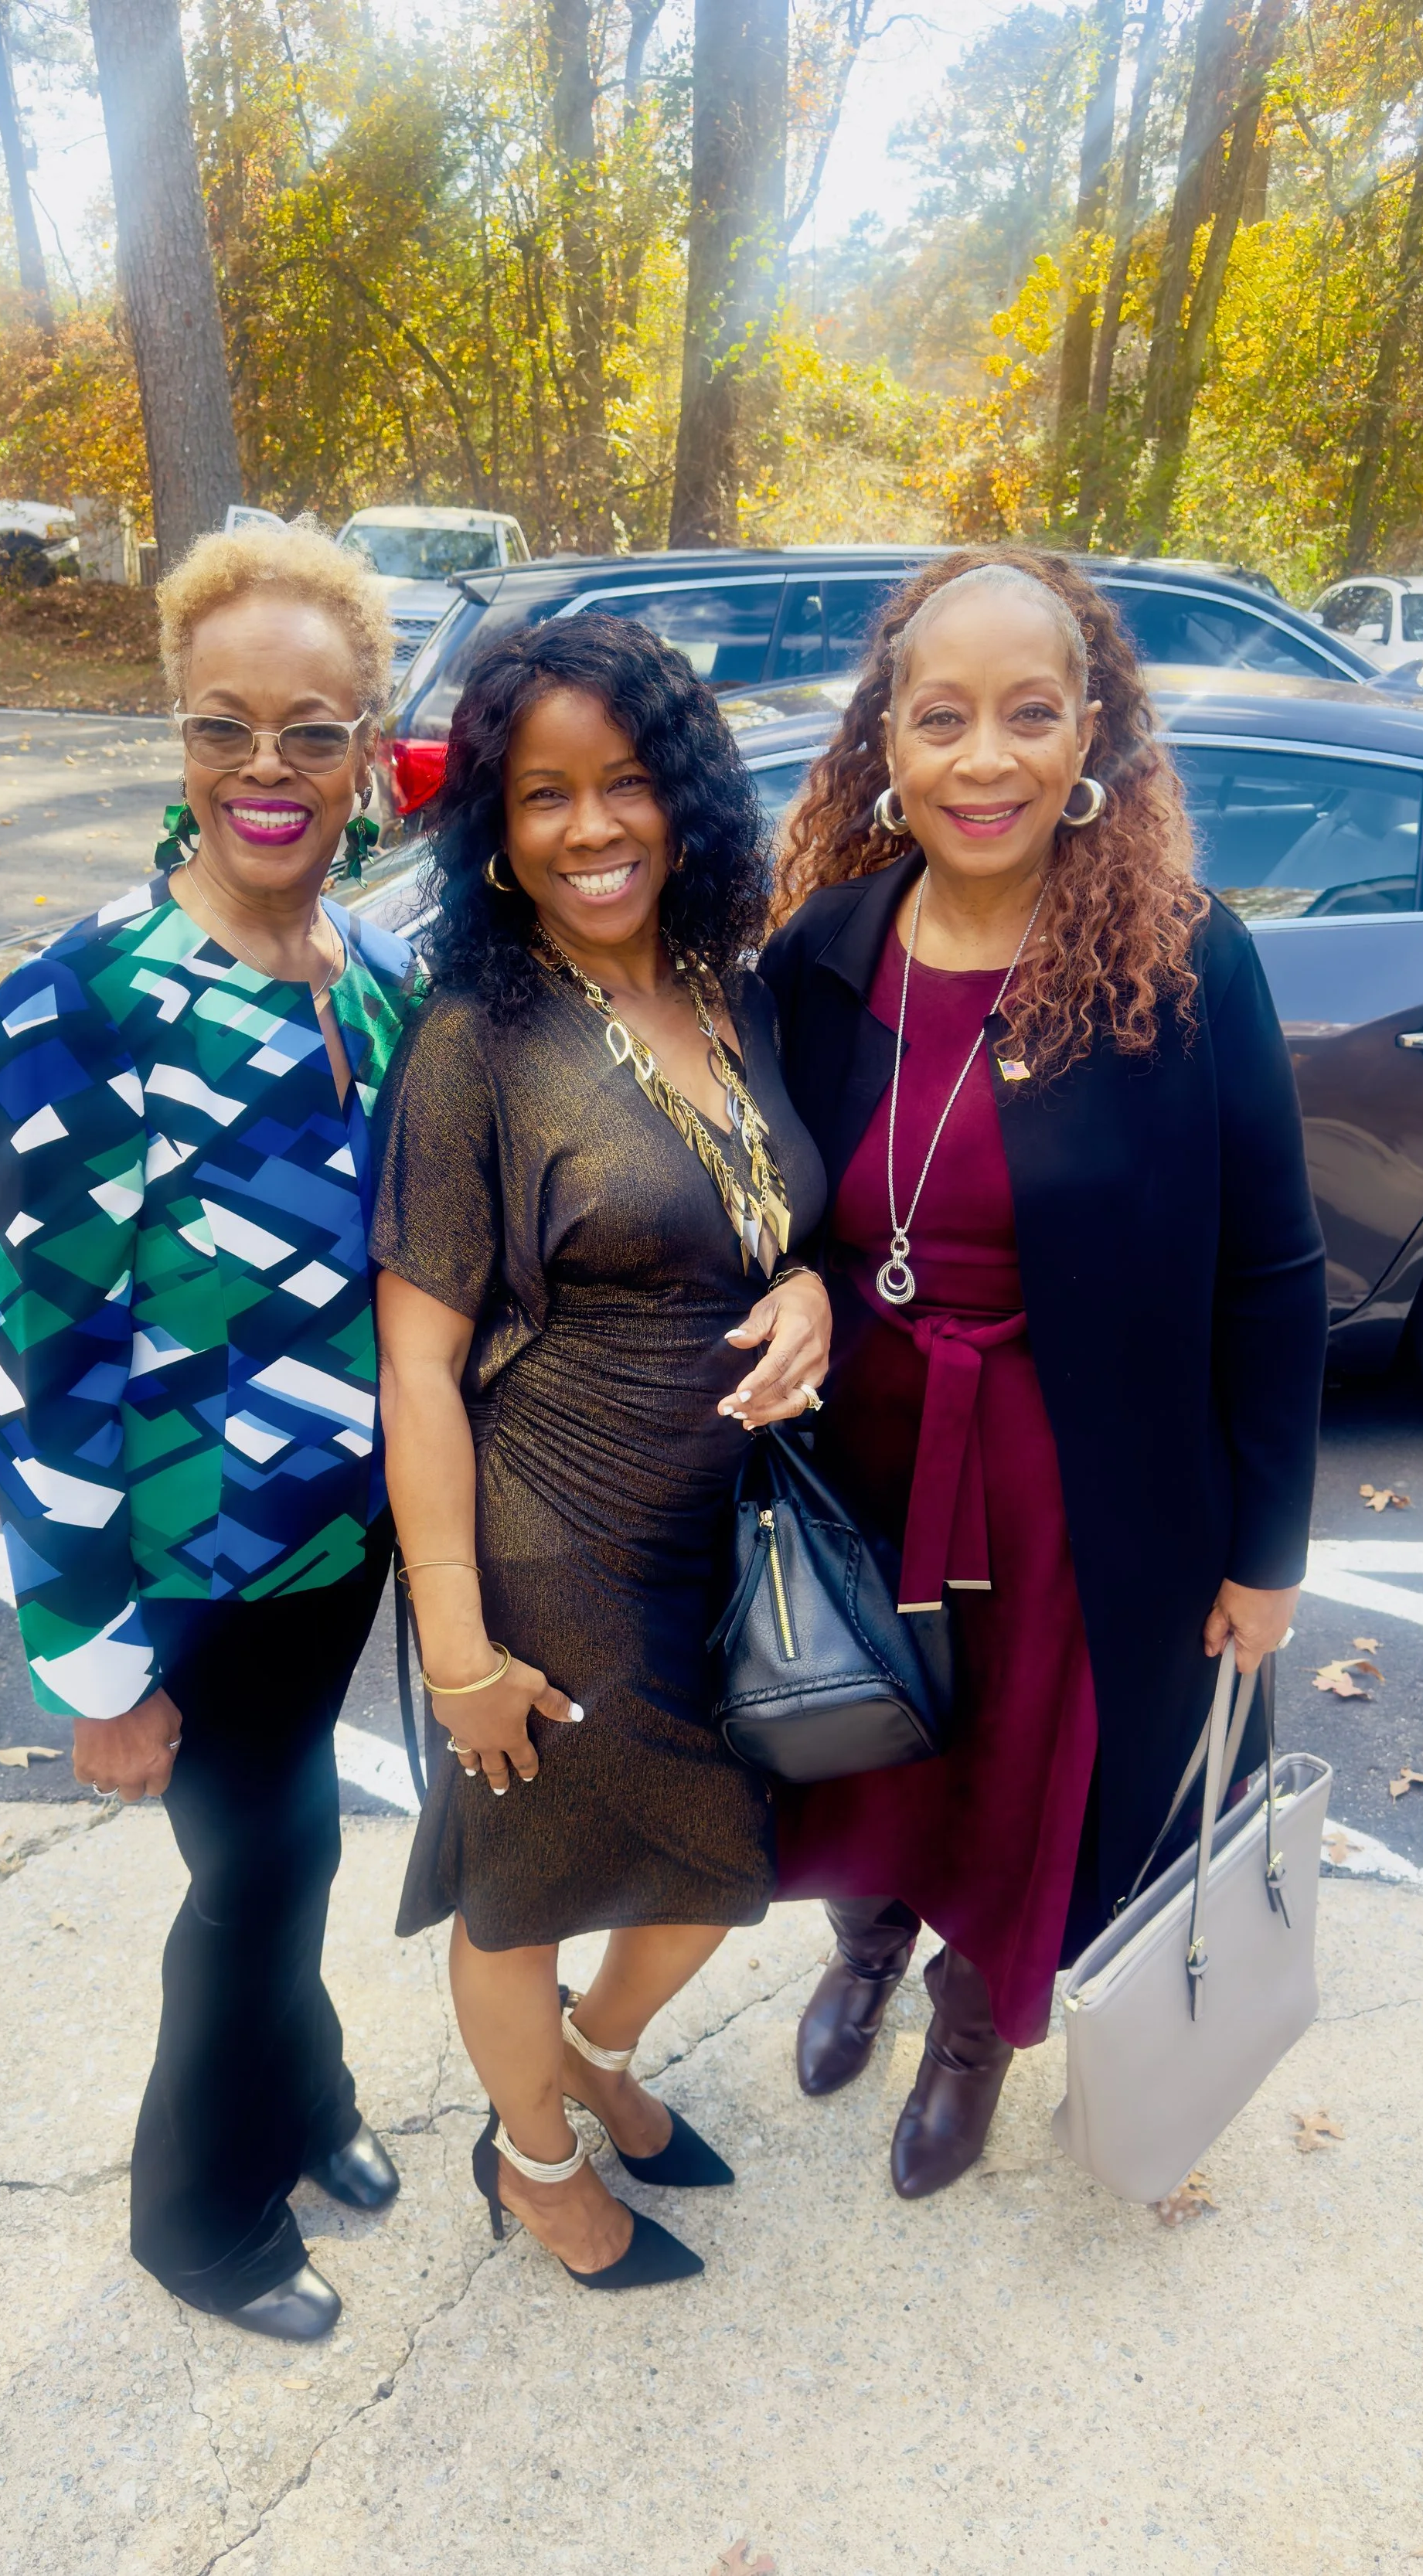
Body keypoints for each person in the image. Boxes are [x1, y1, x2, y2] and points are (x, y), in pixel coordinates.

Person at [760, 550, 1326, 2196]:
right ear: (887, 739)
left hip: (1083, 1489)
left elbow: (1272, 1273)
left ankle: (969, 2018)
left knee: (1025, 1766)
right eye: (941, 717)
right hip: (865, 1454)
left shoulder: (1183, 967)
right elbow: (765, 1199)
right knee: (862, 1725)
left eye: (1028, 713)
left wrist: (1267, 1550)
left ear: (1091, 732)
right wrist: (794, 1287)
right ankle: (864, 1935)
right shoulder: (823, 950)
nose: (983, 758)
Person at [0, 522, 426, 2343]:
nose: (265, 769)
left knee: (292, 1843)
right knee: (256, 1875)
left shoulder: (370, 969)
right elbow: (45, 1342)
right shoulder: (89, 1000)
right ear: (176, 730)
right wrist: (88, 1661)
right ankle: (199, 2213)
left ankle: (307, 2101)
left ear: (364, 745)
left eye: (309, 732)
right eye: (223, 726)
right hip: (182, 1556)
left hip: (344, 1539)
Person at [371, 614, 832, 2288]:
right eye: (541, 794)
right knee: (523, 1886)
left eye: (623, 783)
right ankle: (533, 2157)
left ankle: (599, 2056)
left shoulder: (725, 988)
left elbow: (768, 1221)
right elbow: (415, 1367)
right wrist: (453, 1643)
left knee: (722, 1854)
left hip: (723, 1533)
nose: (588, 828)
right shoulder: (471, 1047)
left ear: (681, 797)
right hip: (546, 1537)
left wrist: (815, 1295)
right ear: (493, 827)